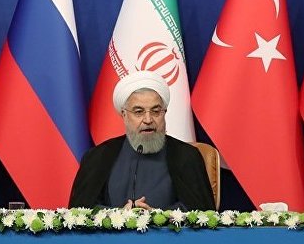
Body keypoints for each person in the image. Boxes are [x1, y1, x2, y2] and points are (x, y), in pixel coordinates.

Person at [69, 71, 214, 210]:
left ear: (164, 113)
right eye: (139, 112)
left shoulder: (187, 156)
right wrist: (118, 216)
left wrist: (155, 217)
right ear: (124, 115)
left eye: (156, 111)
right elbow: (81, 211)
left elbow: (201, 212)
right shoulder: (98, 157)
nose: (148, 120)